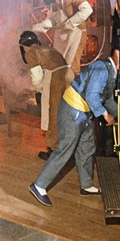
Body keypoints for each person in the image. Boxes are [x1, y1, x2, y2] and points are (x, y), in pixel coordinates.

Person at [29, 47, 118, 206]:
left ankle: (86, 185)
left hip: (83, 113)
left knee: (87, 147)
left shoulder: (110, 70)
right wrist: (106, 115)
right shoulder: (102, 69)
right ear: (118, 54)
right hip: (72, 111)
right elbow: (92, 96)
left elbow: (106, 99)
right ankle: (39, 185)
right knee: (65, 149)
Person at [19, 30, 73, 161]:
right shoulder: (48, 48)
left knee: (53, 113)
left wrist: (39, 90)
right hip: (68, 74)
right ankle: (68, 146)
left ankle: (53, 150)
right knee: (65, 112)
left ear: (24, 46)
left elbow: (37, 76)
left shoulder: (31, 53)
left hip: (56, 77)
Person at [31, 0, 93, 76]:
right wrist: (43, 25)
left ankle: (74, 86)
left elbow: (87, 9)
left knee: (71, 68)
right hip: (64, 37)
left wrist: (70, 23)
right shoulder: (54, 1)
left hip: (76, 35)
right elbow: (54, 19)